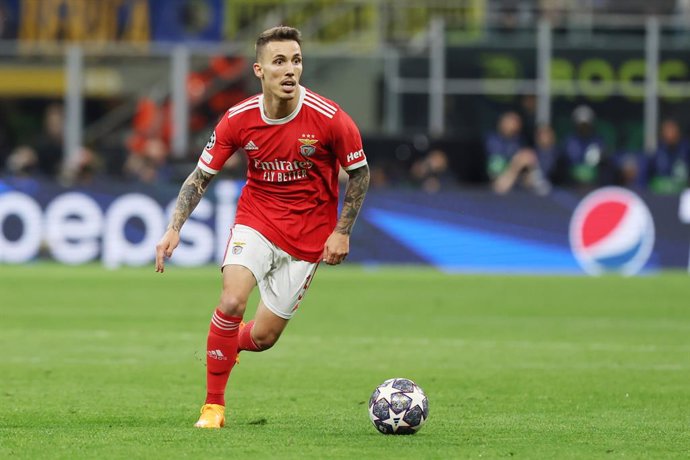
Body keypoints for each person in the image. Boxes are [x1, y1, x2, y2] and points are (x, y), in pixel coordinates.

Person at [154, 26, 370, 429]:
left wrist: (342, 231)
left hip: (308, 236)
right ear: (259, 70)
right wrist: (173, 228)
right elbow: (200, 177)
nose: (290, 70)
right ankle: (213, 407)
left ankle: (220, 346)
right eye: (279, 61)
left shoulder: (330, 119)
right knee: (232, 301)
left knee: (264, 338)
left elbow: (359, 173)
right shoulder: (239, 119)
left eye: (296, 60)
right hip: (256, 221)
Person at [484, 111, 549, 195]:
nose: (515, 125)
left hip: (517, 187)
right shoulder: (493, 140)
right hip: (497, 184)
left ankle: (537, 180)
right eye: (512, 121)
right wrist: (518, 161)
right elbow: (497, 176)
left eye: (517, 122)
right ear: (502, 123)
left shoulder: (519, 140)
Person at [646, 118, 689, 194]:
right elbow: (646, 179)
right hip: (661, 196)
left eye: (672, 129)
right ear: (662, 133)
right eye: (667, 130)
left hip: (684, 195)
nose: (670, 133)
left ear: (678, 132)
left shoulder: (686, 151)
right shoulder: (656, 154)